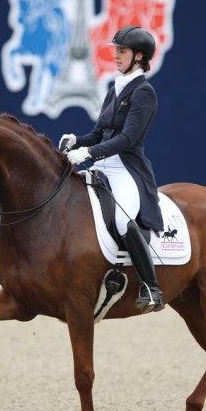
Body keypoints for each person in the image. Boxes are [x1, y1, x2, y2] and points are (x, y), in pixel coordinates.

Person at [59, 25, 164, 314]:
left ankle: (151, 288)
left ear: (139, 57)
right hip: (103, 163)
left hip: (126, 168)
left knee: (122, 221)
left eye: (123, 51)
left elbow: (127, 139)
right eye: (116, 50)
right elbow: (99, 132)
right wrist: (77, 141)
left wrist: (89, 153)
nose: (116, 56)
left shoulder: (144, 92)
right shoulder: (114, 88)